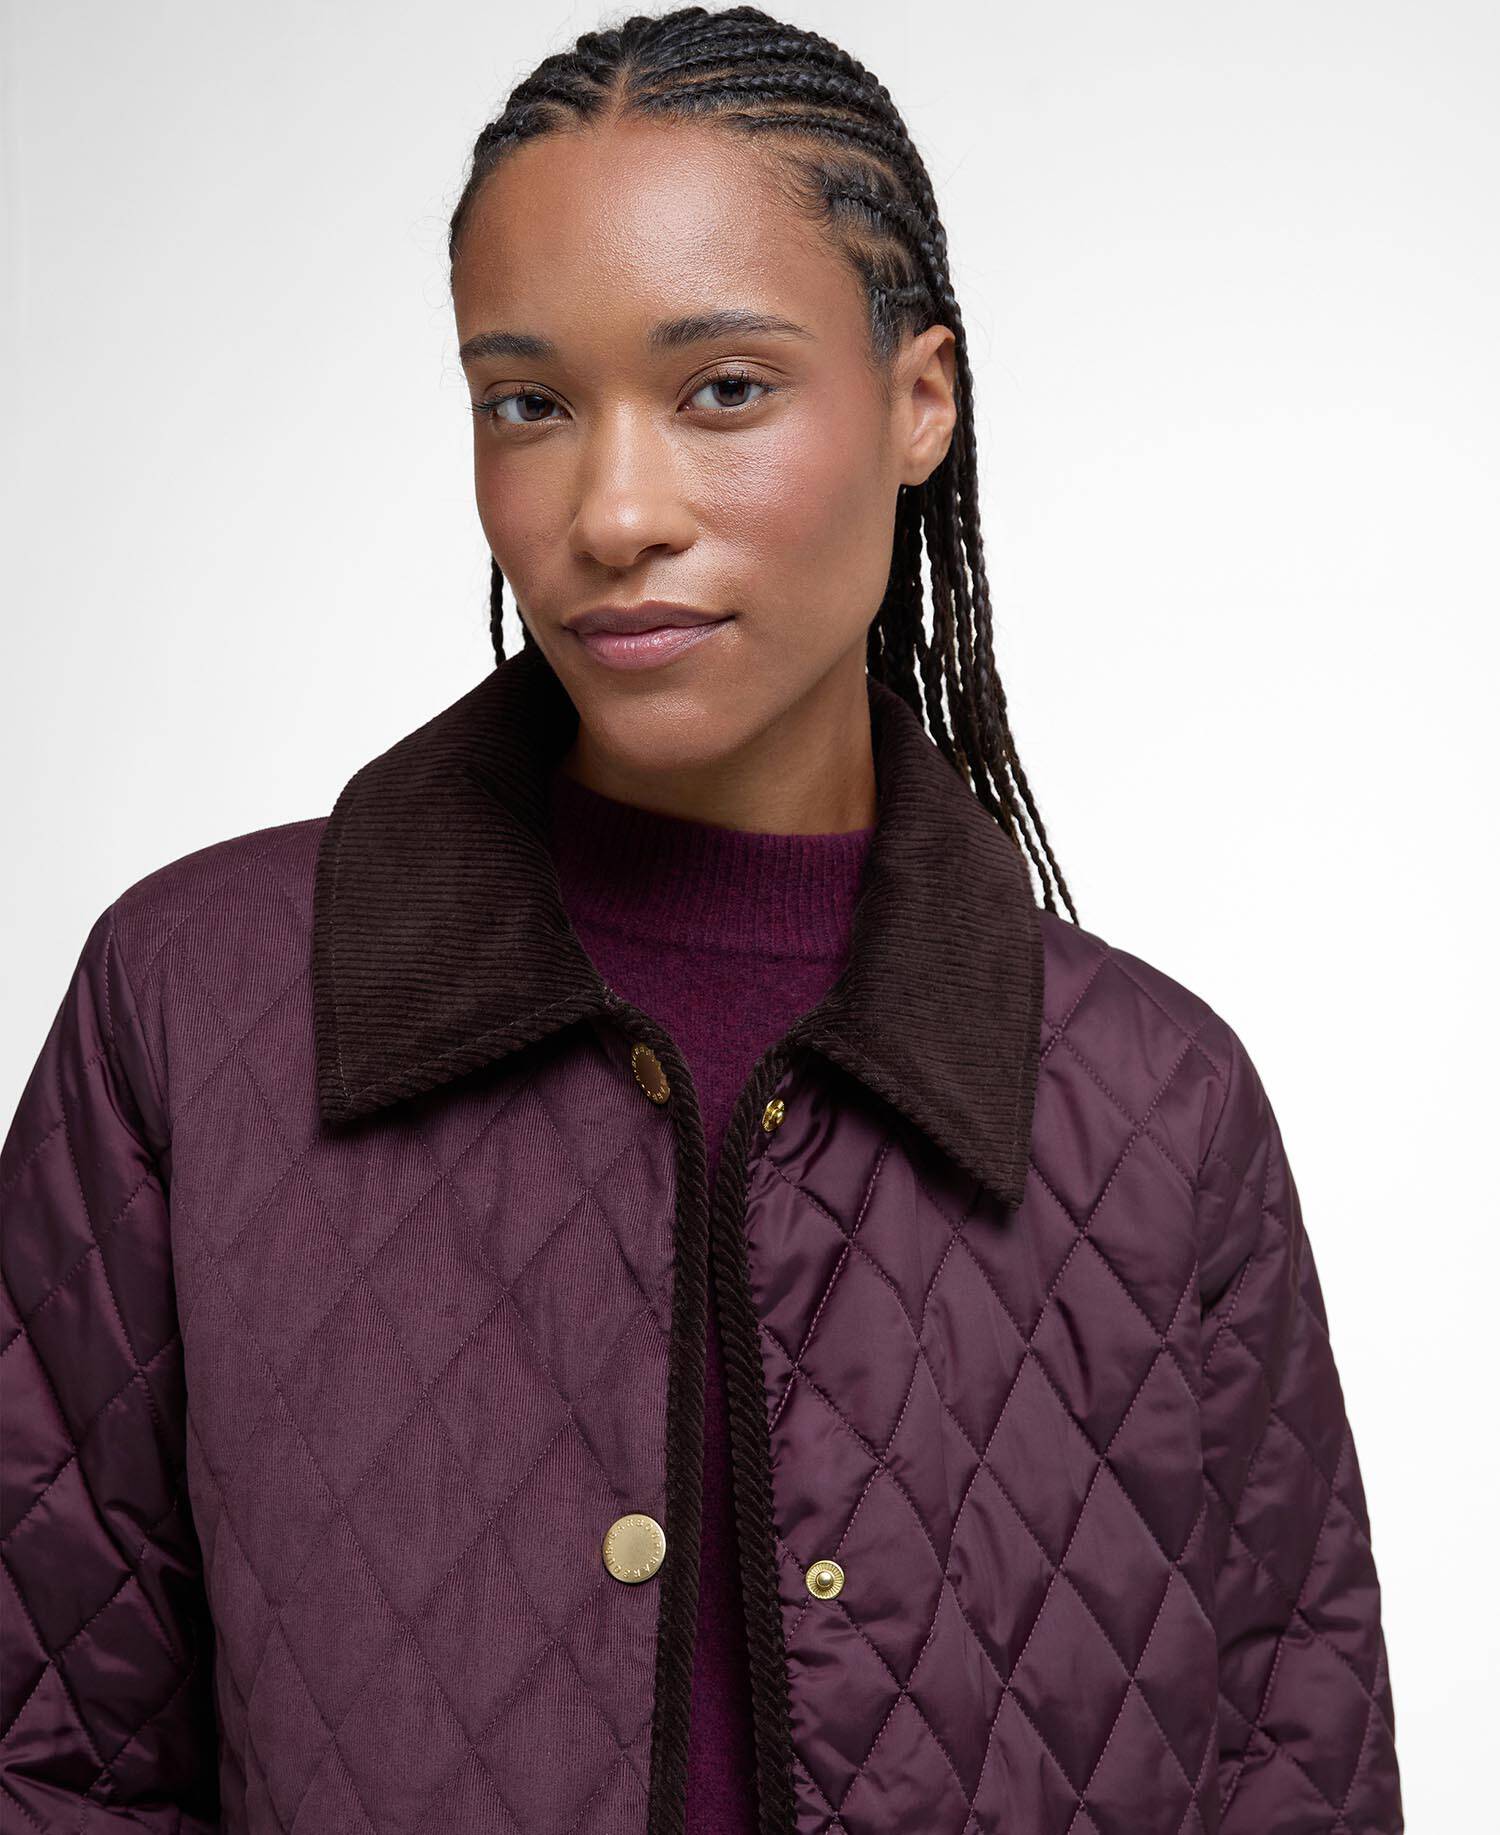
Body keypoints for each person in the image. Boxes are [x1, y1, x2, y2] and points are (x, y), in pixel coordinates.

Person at [0, 6, 1403, 1832]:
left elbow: (1298, 1780)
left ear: (920, 401)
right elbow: (45, 1761)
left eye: (723, 389)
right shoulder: (195, 1010)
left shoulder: (1157, 1106)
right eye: (527, 405)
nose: (612, 511)